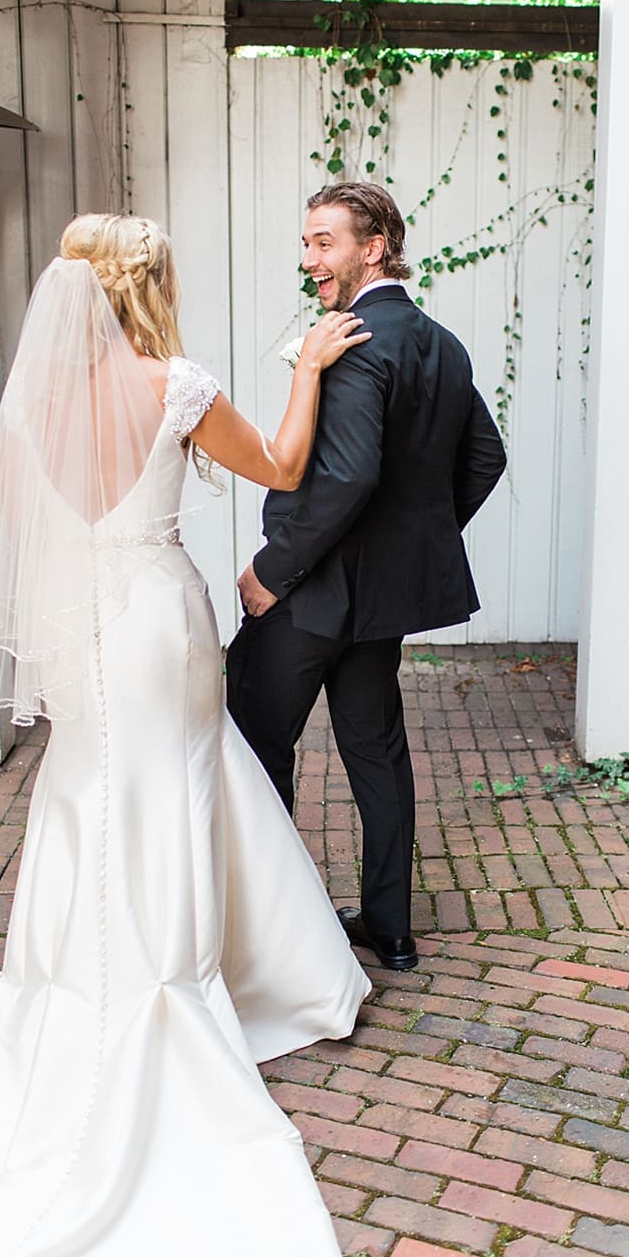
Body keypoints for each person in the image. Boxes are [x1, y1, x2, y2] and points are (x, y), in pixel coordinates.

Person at [0, 213, 376, 1257]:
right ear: (148, 282)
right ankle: (176, 978)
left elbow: (29, 532)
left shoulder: (32, 402)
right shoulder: (179, 383)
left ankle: (83, 975)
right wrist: (305, 367)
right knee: (178, 783)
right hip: (158, 616)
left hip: (83, 629)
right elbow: (287, 465)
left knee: (92, 790)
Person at [229, 181, 508, 973]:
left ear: (373, 247)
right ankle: (389, 926)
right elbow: (485, 456)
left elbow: (346, 478)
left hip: (307, 591)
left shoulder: (350, 339)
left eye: (323, 241)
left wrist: (272, 571)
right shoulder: (441, 343)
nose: (308, 257)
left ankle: (274, 934)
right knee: (377, 755)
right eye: (308, 241)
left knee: (255, 751)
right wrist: (406, 541)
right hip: (376, 600)